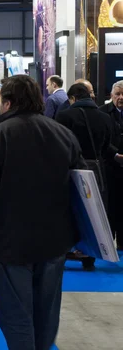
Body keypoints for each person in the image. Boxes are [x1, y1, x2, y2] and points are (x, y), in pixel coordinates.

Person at [0, 75, 85, 350]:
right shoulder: (63, 134)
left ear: (7, 102)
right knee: (46, 314)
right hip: (55, 242)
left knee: (17, 315)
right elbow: (83, 189)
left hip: (9, 244)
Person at [56, 83, 115, 271]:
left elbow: (59, 144)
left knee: (69, 212)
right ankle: (90, 256)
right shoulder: (105, 118)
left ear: (72, 98)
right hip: (97, 171)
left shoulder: (65, 116)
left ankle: (66, 251)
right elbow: (108, 146)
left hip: (71, 171)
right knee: (93, 214)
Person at [99, 81, 123, 250]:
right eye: (117, 94)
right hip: (109, 167)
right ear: (111, 96)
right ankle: (108, 244)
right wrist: (115, 155)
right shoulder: (102, 113)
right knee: (109, 207)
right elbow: (101, 140)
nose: (121, 98)